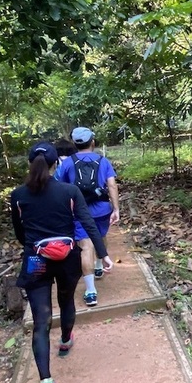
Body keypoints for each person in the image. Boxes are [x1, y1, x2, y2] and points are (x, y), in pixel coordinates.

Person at [11, 141, 113, 383]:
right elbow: (88, 224)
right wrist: (104, 255)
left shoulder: (18, 195)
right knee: (66, 300)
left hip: (36, 259)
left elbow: (20, 233)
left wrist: (33, 247)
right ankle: (66, 341)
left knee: (41, 320)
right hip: (67, 257)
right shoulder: (69, 191)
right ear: (57, 164)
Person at [54, 126, 120, 308]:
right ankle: (99, 264)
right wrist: (116, 209)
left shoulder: (67, 164)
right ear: (92, 142)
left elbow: (59, 188)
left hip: (78, 212)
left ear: (75, 144)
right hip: (102, 210)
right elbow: (112, 185)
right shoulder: (103, 161)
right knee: (101, 236)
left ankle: (90, 292)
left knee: (85, 246)